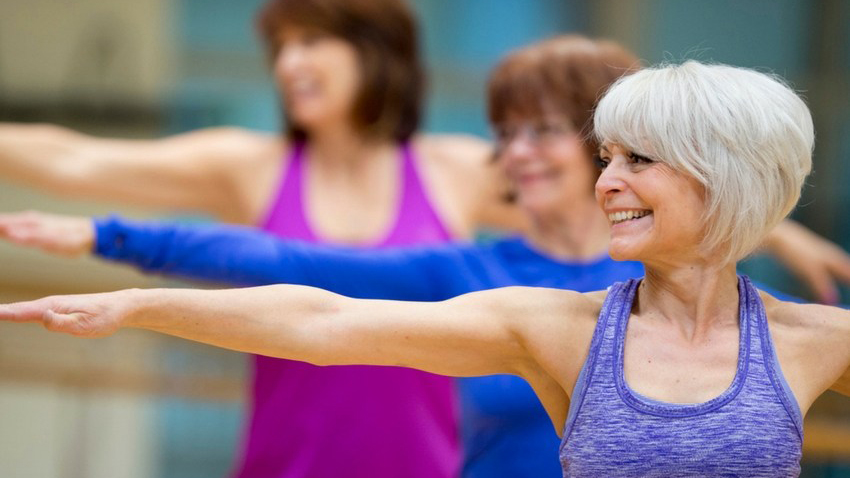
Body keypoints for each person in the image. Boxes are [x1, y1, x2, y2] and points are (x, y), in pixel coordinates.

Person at [2, 43, 849, 477]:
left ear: (723, 176)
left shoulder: (817, 339)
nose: (607, 181)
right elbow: (320, 314)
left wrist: (785, 234)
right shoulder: (551, 322)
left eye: (636, 160)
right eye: (607, 157)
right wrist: (132, 302)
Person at [0, 1, 526, 477]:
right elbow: (77, 158)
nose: (286, 65)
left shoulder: (456, 170)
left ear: (376, 49)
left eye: (311, 41)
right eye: (281, 48)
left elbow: (581, 211)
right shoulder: (251, 167)